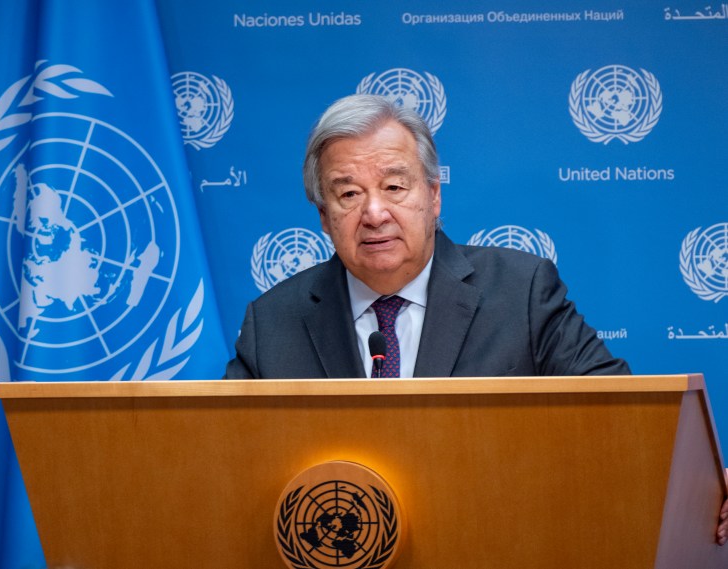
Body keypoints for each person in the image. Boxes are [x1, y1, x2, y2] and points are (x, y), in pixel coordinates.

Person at [223, 94, 728, 543]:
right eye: (349, 194)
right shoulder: (275, 321)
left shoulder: (522, 292)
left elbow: (627, 423)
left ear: (434, 196)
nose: (374, 212)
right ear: (324, 218)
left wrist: (708, 487)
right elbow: (227, 469)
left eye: (395, 186)